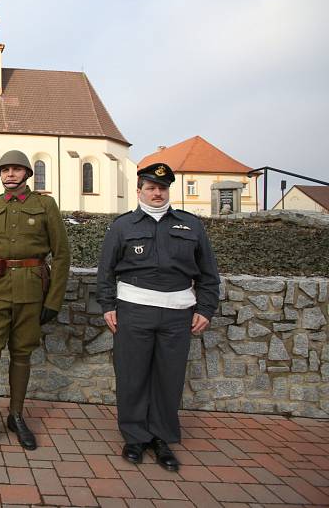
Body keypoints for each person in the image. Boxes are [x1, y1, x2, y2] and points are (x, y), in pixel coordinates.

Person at [96, 162, 220, 472]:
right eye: (150, 187)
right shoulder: (122, 226)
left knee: (169, 377)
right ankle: (135, 437)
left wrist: (205, 308)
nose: (157, 192)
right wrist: (108, 305)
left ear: (168, 191)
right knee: (132, 375)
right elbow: (105, 271)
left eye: (162, 188)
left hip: (178, 313)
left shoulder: (191, 226)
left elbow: (208, 273)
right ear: (139, 191)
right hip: (133, 310)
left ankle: (162, 438)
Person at [0, 150, 71, 456]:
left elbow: (62, 254)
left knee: (22, 353)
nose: (10, 174)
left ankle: (15, 416)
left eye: (16, 169)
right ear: (0, 175)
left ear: (27, 173)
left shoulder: (44, 205)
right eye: (5, 170)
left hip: (30, 290)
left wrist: (53, 300)